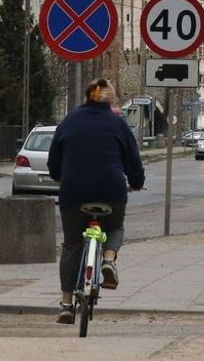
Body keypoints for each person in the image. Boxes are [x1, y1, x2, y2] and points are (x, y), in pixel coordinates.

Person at [47, 78, 145, 325]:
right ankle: (109, 260)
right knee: (115, 227)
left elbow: (53, 163)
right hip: (111, 189)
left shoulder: (68, 122)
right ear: (110, 99)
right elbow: (133, 161)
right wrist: (136, 181)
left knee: (71, 245)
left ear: (87, 96)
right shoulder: (118, 125)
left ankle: (66, 304)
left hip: (74, 192)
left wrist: (61, 176)